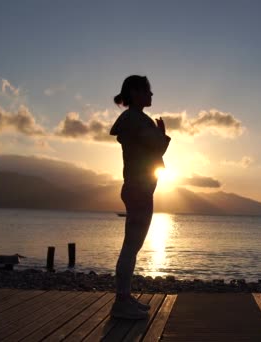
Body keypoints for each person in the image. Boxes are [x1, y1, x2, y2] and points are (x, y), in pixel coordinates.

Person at [109, 75, 170, 319]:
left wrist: (159, 135)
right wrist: (161, 134)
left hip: (138, 188)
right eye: (147, 91)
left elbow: (152, 148)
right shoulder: (134, 119)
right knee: (130, 247)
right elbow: (156, 147)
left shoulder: (134, 119)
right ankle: (121, 303)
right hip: (138, 189)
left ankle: (124, 297)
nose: (151, 95)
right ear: (135, 92)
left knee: (132, 247)